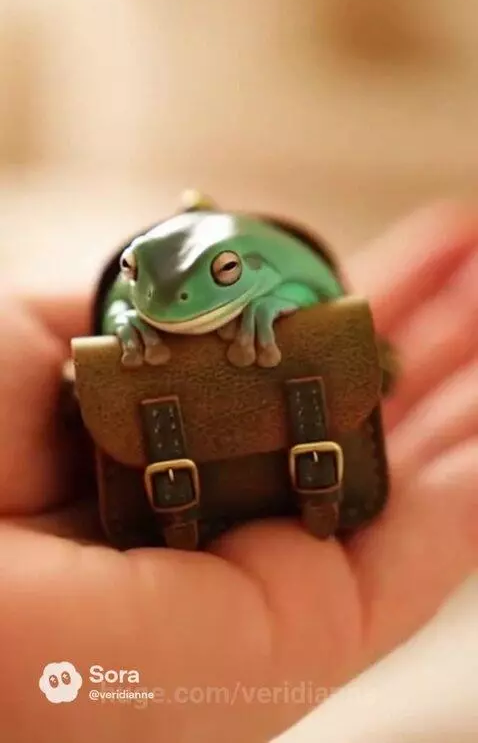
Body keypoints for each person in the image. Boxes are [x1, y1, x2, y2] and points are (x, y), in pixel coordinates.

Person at [0, 202, 477, 743]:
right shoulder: (145, 289)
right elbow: (124, 304)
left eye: (225, 271)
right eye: (137, 273)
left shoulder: (268, 263)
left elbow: (311, 290)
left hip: (282, 324)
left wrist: (283, 305)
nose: (167, 299)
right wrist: (124, 319)